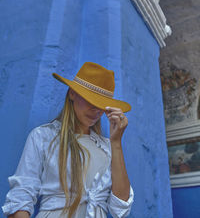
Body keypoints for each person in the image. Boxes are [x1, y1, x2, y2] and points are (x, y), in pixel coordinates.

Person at [2, 62, 134, 218]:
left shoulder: (107, 146)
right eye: (91, 100)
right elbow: (21, 196)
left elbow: (121, 208)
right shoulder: (43, 137)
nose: (96, 110)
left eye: (102, 105)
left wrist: (116, 142)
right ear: (72, 93)